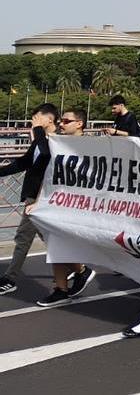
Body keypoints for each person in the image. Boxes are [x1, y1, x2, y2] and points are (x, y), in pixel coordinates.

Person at [35, 108, 98, 306]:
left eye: (66, 121)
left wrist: (38, 130)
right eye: (61, 121)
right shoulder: (60, 142)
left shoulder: (90, 146)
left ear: (79, 124)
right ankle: (64, 287)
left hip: (79, 205)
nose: (61, 124)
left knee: (59, 244)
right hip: (59, 201)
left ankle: (77, 274)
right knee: (56, 243)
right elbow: (48, 171)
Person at [0, 104, 58, 296]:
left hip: (44, 197)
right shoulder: (40, 140)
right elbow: (23, 162)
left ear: (49, 119)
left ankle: (10, 278)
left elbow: (46, 154)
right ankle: (79, 268)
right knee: (48, 237)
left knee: (23, 237)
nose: (33, 122)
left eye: (37, 118)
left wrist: (38, 130)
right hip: (33, 195)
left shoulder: (58, 140)